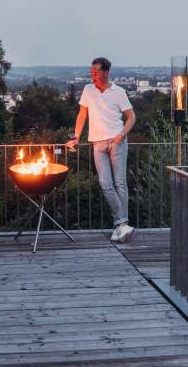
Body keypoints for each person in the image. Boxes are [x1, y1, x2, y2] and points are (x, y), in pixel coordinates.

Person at [67, 57, 136, 243]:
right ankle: (122, 225)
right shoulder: (88, 90)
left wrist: (121, 135)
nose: (93, 76)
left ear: (106, 72)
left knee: (120, 183)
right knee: (106, 184)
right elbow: (82, 115)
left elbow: (131, 117)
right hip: (98, 143)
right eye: (91, 73)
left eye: (96, 73)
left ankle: (120, 226)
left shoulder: (118, 92)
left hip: (117, 142)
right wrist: (76, 137)